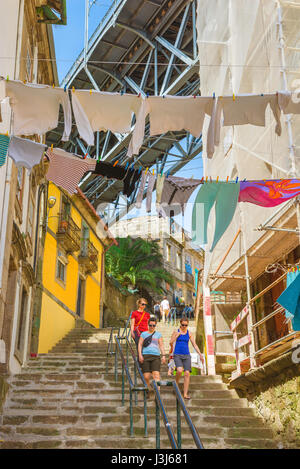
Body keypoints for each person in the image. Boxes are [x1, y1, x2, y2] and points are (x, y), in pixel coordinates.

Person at [170, 317, 204, 399]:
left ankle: (185, 394)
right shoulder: (176, 331)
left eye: (186, 325)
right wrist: (176, 336)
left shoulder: (189, 333)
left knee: (187, 373)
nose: (184, 326)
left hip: (186, 355)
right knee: (179, 370)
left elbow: (194, 345)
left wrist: (200, 354)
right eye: (183, 325)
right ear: (180, 324)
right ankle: (176, 385)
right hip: (177, 354)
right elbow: (170, 342)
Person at [138, 316, 166, 392]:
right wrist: (140, 355)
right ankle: (149, 388)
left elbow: (161, 345)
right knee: (146, 376)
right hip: (146, 355)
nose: (152, 327)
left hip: (156, 356)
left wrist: (163, 355)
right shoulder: (143, 334)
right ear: (148, 325)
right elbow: (140, 344)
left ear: (155, 326)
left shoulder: (158, 335)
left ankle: (157, 393)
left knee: (156, 375)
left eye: (154, 325)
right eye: (150, 325)